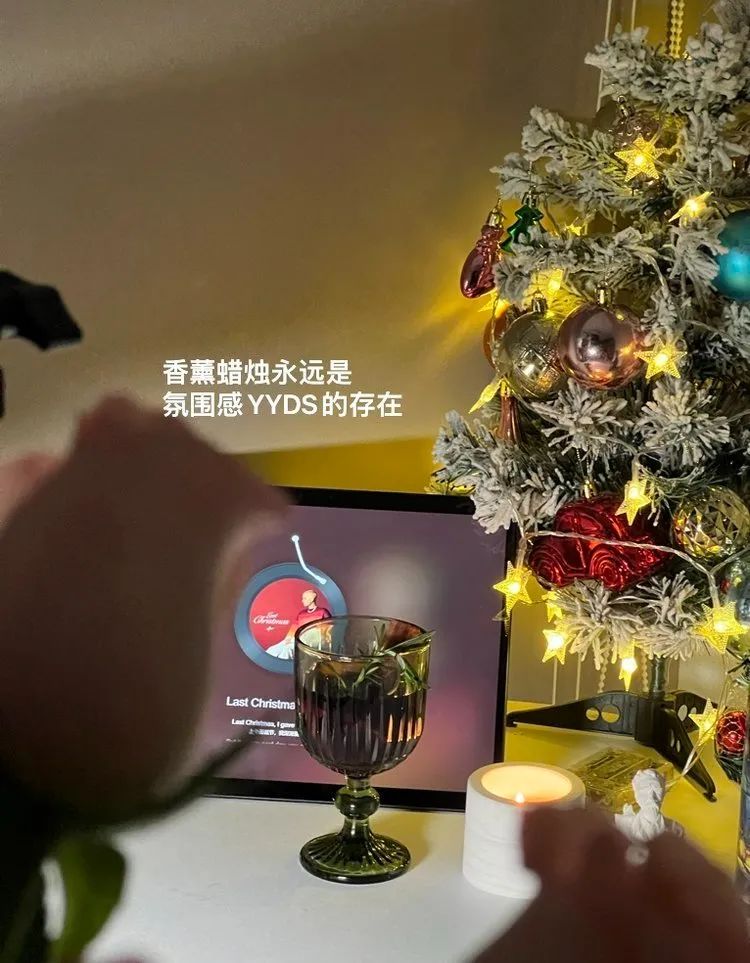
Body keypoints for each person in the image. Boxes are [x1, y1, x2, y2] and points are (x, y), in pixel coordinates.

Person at [266, 588, 331, 659]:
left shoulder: (322, 612)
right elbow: (295, 627)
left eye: (305, 598)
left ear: (311, 599)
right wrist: (288, 638)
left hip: (312, 639)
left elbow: (329, 627)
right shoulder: (301, 614)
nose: (302, 600)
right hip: (298, 637)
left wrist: (325, 638)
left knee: (287, 650)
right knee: (272, 649)